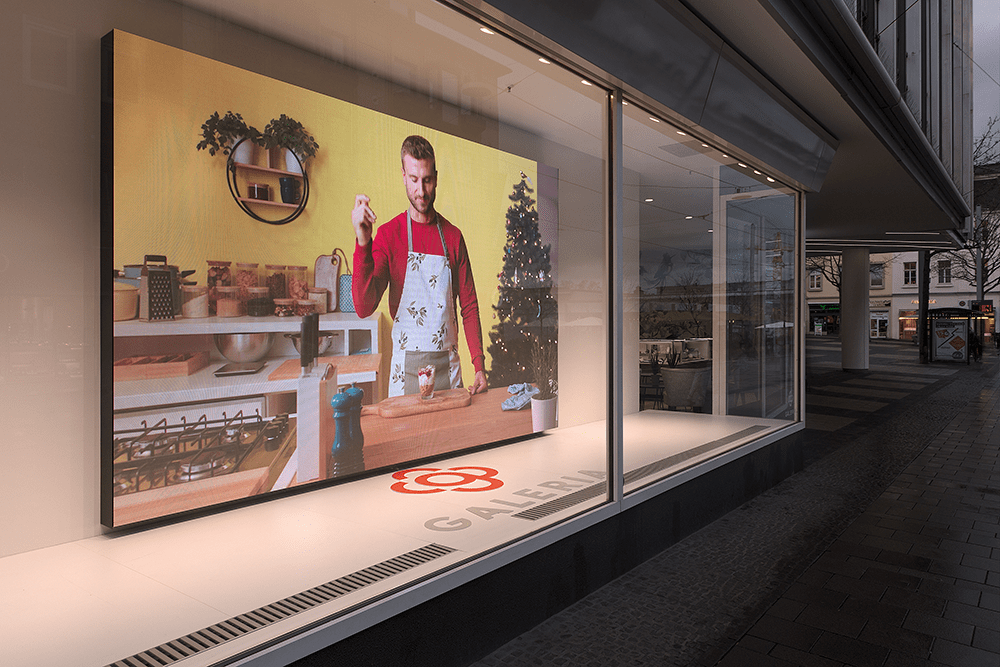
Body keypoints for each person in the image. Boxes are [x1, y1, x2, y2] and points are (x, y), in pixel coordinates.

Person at [351, 135, 488, 398]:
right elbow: (362, 307)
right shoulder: (390, 235)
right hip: (406, 374)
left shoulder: (454, 237)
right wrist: (363, 242)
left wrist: (479, 366)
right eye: (414, 180)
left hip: (449, 369)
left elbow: (469, 305)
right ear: (403, 176)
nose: (421, 191)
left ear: (436, 177)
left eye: (427, 180)